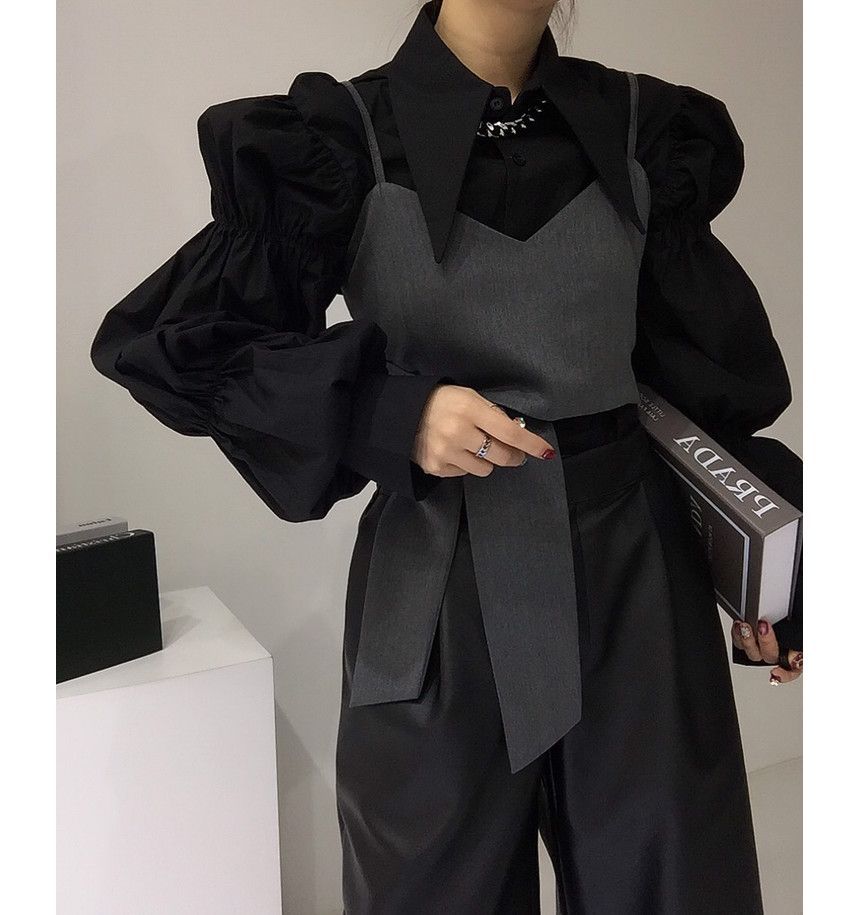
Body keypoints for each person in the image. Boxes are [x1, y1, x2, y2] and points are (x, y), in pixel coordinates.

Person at [90, 1, 802, 911]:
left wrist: (779, 568)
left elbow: (701, 386)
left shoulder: (643, 131)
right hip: (435, 596)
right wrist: (389, 409)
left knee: (675, 885)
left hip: (636, 583)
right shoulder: (336, 142)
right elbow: (176, 343)